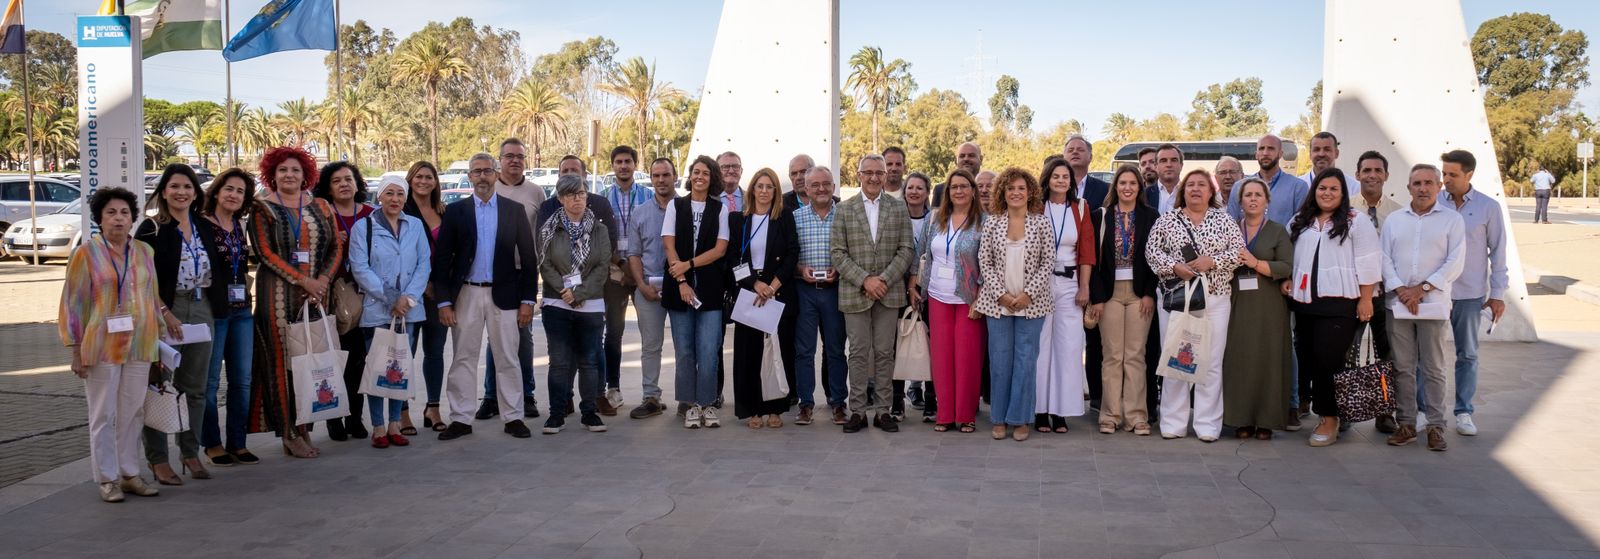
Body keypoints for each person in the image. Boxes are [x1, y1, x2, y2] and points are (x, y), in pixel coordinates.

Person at [60, 187, 166, 502]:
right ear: (100, 219)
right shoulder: (86, 253)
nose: (118, 219)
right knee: (103, 414)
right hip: (102, 344)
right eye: (111, 213)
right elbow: (74, 303)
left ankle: (130, 473)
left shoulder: (145, 251)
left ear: (133, 218)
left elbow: (152, 295)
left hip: (141, 342)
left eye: (124, 213)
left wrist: (161, 337)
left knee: (133, 411)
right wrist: (76, 349)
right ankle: (107, 479)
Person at [432, 153, 539, 440]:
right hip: (466, 293)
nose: (482, 176)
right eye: (476, 172)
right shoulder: (456, 212)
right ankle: (461, 418)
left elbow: (529, 259)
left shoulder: (513, 210)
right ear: (469, 177)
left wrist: (528, 300)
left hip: (505, 294)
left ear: (496, 174)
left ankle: (513, 416)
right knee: (463, 357)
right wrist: (444, 301)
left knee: (507, 356)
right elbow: (442, 260)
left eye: (487, 171)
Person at [248, 146, 343, 459]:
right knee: (280, 362)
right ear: (272, 175)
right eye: (282, 171)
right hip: (275, 295)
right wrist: (305, 281)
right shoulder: (262, 208)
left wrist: (322, 282)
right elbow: (265, 253)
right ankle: (288, 432)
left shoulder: (321, 206)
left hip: (316, 298)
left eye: (295, 171)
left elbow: (335, 248)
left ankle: (305, 427)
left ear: (306, 175)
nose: (289, 176)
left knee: (310, 361)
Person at [135, 163, 221, 485]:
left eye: (187, 187)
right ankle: (158, 460)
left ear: (195, 192)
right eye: (174, 187)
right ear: (163, 191)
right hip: (164, 311)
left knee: (195, 389)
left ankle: (190, 451)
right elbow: (142, 278)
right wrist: (164, 312)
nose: (181, 192)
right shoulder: (151, 228)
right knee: (160, 385)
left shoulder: (204, 225)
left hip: (201, 308)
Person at [1147, 169, 1245, 442]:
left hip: (1214, 298)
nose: (1196, 189)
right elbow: (1151, 253)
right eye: (1190, 185)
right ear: (1183, 191)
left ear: (1210, 191)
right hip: (1178, 300)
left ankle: (1207, 424)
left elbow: (1239, 253)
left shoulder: (1224, 220)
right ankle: (1173, 423)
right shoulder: (1168, 220)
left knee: (1211, 362)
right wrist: (1174, 267)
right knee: (1177, 360)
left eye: (1202, 185)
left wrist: (1211, 262)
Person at [1287, 167, 1381, 447]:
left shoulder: (1356, 221)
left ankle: (1329, 418)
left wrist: (1366, 299)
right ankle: (1320, 410)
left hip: (1340, 304)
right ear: (1314, 191)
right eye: (1322, 188)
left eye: (1333, 189)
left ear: (1343, 194)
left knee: (1329, 362)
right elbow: (1288, 256)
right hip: (1304, 303)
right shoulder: (1301, 220)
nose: (1327, 194)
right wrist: (1285, 280)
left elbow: (1368, 261)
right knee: (1308, 359)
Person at [1421, 149, 1507, 437]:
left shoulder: (1488, 208)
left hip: (1469, 294)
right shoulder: (1434, 203)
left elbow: (1498, 252)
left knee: (1467, 354)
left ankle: (1464, 412)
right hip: (1434, 292)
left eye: (1452, 175)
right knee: (1426, 354)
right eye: (1443, 174)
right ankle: (1423, 410)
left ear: (1469, 174)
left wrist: (1497, 294)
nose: (1445, 180)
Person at [1381, 164, 1465, 452]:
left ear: (1439, 186)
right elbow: (1384, 258)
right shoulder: (1394, 220)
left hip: (1433, 306)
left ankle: (1436, 426)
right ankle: (1406, 423)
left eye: (1429, 182)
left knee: (1434, 368)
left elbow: (1454, 262)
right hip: (1399, 306)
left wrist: (1422, 289)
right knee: (1402, 367)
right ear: (1408, 188)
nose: (1423, 188)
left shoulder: (1452, 221)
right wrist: (1401, 290)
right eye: (1417, 183)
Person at [832, 154, 915, 434]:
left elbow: (906, 249)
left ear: (885, 176)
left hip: (889, 293)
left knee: (884, 352)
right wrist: (865, 280)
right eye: (868, 172)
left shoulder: (898, 208)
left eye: (879, 172)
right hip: (855, 292)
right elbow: (838, 254)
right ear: (858, 175)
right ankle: (857, 410)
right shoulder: (844, 209)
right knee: (857, 352)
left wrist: (884, 279)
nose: (874, 177)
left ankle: (883, 411)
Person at [535, 155, 621, 415]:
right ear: (560, 197)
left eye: (580, 193)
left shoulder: (599, 219)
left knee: (591, 357)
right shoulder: (548, 218)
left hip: (590, 297)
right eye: (570, 194)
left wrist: (580, 292)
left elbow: (603, 262)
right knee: (560, 361)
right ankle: (559, 409)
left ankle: (593, 405)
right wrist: (567, 291)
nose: (576, 198)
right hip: (558, 297)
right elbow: (544, 260)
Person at [349, 178, 431, 448]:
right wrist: (392, 298)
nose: (395, 199)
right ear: (380, 197)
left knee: (399, 367)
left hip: (407, 310)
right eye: (389, 194)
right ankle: (378, 426)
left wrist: (408, 298)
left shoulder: (415, 226)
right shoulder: (364, 228)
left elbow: (423, 264)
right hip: (377, 309)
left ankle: (396, 422)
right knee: (377, 369)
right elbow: (360, 268)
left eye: (399, 194)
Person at [974, 167, 1054, 441]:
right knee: (1000, 361)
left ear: (1030, 191)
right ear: (1002, 193)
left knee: (1025, 361)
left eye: (1021, 188)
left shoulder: (1042, 223)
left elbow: (1048, 263)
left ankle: (1020, 419)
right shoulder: (993, 223)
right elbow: (984, 261)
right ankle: (998, 418)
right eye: (1010, 189)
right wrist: (1002, 295)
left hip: (1032, 303)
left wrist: (1028, 294)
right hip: (998, 304)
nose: (1016, 193)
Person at [911, 169, 985, 433]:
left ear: (973, 191)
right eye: (954, 187)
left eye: (964, 186)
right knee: (941, 358)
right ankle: (945, 414)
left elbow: (988, 263)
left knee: (967, 357)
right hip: (937, 295)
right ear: (947, 192)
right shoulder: (936, 220)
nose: (959, 191)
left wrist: (981, 298)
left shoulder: (983, 222)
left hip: (968, 298)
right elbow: (921, 255)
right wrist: (913, 286)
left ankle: (965, 415)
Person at [1220, 178, 1295, 440]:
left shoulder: (1277, 231)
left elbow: (1286, 266)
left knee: (1267, 359)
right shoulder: (1229, 228)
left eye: (1258, 195)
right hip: (1235, 301)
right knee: (1238, 359)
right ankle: (1240, 419)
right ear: (1239, 202)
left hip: (1268, 304)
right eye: (1247, 195)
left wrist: (1257, 263)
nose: (1252, 199)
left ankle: (1266, 420)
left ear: (1267, 201)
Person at [1087, 165, 1158, 436]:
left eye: (1132, 183)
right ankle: (1109, 415)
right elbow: (1091, 261)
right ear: (1114, 187)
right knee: (1113, 355)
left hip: (1140, 293)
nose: (1127, 187)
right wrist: (1097, 298)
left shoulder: (1151, 216)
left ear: (1139, 187)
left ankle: (1137, 416)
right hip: (1110, 293)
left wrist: (1150, 293)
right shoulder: (1101, 217)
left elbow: (1156, 259)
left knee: (1136, 356)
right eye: (1122, 183)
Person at [477, 138, 545, 422]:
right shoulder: (489, 188)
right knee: (495, 338)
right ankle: (491, 397)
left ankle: (526, 395)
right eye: (509, 156)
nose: (515, 160)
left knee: (523, 337)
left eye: (520, 156)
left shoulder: (535, 192)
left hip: (520, 274)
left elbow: (541, 234)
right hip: (490, 274)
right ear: (499, 161)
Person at [725, 168, 798, 428]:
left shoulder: (784, 217)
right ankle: (753, 409)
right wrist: (754, 284)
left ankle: (775, 408)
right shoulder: (738, 220)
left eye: (770, 187)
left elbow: (792, 253)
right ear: (752, 189)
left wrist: (773, 285)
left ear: (775, 192)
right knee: (749, 355)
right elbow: (732, 258)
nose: (764, 191)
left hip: (777, 291)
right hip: (748, 291)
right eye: (760, 186)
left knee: (777, 351)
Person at [662, 155, 731, 428]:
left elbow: (720, 249)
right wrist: (681, 281)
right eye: (696, 172)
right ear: (690, 176)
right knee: (685, 351)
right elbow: (669, 245)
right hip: (679, 290)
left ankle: (707, 404)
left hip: (710, 290)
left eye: (706, 173)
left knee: (708, 349)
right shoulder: (675, 206)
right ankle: (690, 405)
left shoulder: (720, 209)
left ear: (712, 177)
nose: (700, 176)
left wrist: (688, 265)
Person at [200, 168, 260, 466]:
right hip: (213, 313)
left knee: (242, 381)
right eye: (229, 189)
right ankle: (212, 443)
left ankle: (238, 442)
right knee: (209, 382)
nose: (234, 195)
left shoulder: (239, 225)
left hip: (242, 313)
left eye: (240, 191)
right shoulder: (200, 224)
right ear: (217, 192)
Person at [315, 161, 377, 442]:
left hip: (363, 297)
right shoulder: (320, 214)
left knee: (358, 361)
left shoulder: (370, 215)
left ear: (357, 183)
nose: (343, 184)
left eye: (348, 179)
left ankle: (354, 416)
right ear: (328, 187)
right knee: (333, 359)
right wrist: (331, 240)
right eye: (337, 180)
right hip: (330, 296)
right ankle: (333, 418)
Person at [1034, 157, 1097, 433]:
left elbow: (1087, 251)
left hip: (1070, 284)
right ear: (1047, 179)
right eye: (1056, 176)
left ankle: (1061, 411)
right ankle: (1039, 410)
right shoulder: (1036, 207)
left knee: (1069, 347)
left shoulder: (1080, 208)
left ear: (1072, 182)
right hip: (1040, 283)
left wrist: (1084, 287)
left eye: (1066, 177)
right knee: (1041, 348)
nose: (1061, 181)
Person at [794, 166, 850, 426]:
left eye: (826, 183)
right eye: (814, 185)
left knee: (836, 350)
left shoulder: (846, 216)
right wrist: (798, 269)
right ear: (806, 189)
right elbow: (787, 254)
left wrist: (840, 269)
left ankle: (838, 402)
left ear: (834, 187)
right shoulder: (795, 218)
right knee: (804, 350)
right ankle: (805, 403)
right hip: (804, 291)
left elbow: (852, 252)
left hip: (835, 291)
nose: (821, 189)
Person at [600, 146, 652, 416]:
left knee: (649, 332)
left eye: (628, 161)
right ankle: (613, 387)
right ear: (612, 165)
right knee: (614, 331)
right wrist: (621, 265)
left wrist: (637, 269)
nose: (623, 166)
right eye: (618, 162)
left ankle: (650, 393)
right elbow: (600, 239)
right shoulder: (602, 198)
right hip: (615, 271)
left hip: (643, 271)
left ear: (635, 164)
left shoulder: (648, 196)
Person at [625, 159, 677, 419]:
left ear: (674, 176)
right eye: (656, 175)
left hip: (681, 290)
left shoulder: (687, 209)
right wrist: (642, 286)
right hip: (648, 290)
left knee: (684, 346)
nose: (660, 180)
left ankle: (688, 399)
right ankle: (651, 397)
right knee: (651, 346)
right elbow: (633, 254)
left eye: (665, 174)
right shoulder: (640, 213)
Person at [1355, 150, 1402, 433]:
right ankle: (1344, 409)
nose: (1372, 175)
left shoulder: (1398, 213)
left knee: (1387, 354)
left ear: (1386, 175)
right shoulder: (1345, 208)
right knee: (1346, 353)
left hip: (1386, 295)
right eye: (1366, 170)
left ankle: (1385, 410)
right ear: (1357, 174)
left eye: (1377, 170)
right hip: (1352, 294)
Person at [402, 161, 450, 432]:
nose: (423, 181)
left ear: (435, 182)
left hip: (437, 294)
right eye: (418, 177)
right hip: (409, 293)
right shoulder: (401, 209)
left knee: (435, 352)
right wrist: (421, 285)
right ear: (410, 180)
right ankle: (402, 412)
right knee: (404, 353)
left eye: (428, 177)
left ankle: (433, 408)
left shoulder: (443, 211)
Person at [1065, 135, 1110, 409]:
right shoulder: (1054, 188)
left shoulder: (1103, 189)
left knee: (1095, 336)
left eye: (1081, 149)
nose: (1075, 152)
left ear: (1090, 156)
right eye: (1070, 149)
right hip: (1063, 271)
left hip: (1095, 268)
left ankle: (1095, 396)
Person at [902, 171, 936, 421]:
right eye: (910, 187)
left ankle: (931, 396)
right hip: (899, 286)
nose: (914, 192)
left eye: (919, 188)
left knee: (930, 343)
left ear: (927, 193)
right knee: (903, 341)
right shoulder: (895, 216)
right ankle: (901, 396)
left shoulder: (934, 219)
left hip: (929, 288)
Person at [1227, 134, 1310, 225]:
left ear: (1280, 154)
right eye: (1261, 148)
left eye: (1271, 148)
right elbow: (1231, 225)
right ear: (1256, 155)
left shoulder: (1298, 187)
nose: (1265, 153)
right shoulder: (1239, 187)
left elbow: (1300, 226)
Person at [1298, 131, 1359, 200]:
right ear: (1310, 154)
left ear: (1336, 153)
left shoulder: (1354, 187)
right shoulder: (1298, 186)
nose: (1321, 154)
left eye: (1327, 149)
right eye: (1316, 149)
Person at [932, 142, 984, 206]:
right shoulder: (940, 190)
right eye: (962, 156)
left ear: (981, 159)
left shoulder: (991, 189)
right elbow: (934, 215)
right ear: (956, 160)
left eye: (971, 155)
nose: (966, 159)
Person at [1144, 144, 1185, 214]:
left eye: (1174, 160)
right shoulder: (1144, 195)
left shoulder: (1189, 193)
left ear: (1181, 165)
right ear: (1156, 166)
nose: (1169, 165)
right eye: (1163, 161)